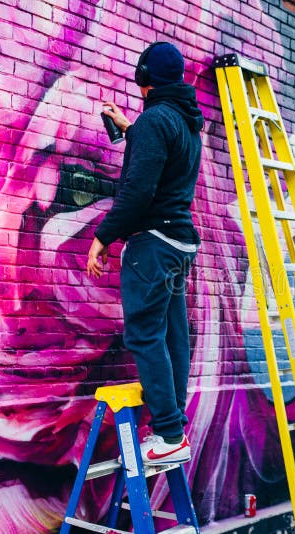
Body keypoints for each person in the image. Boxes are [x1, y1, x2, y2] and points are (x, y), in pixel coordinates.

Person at [86, 42, 204, 465]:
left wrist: (104, 236)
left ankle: (169, 433)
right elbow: (164, 158)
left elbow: (138, 191)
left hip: (153, 245)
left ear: (142, 76)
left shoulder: (156, 121)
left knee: (143, 333)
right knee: (173, 332)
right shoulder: (185, 122)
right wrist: (130, 129)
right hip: (179, 244)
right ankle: (175, 428)